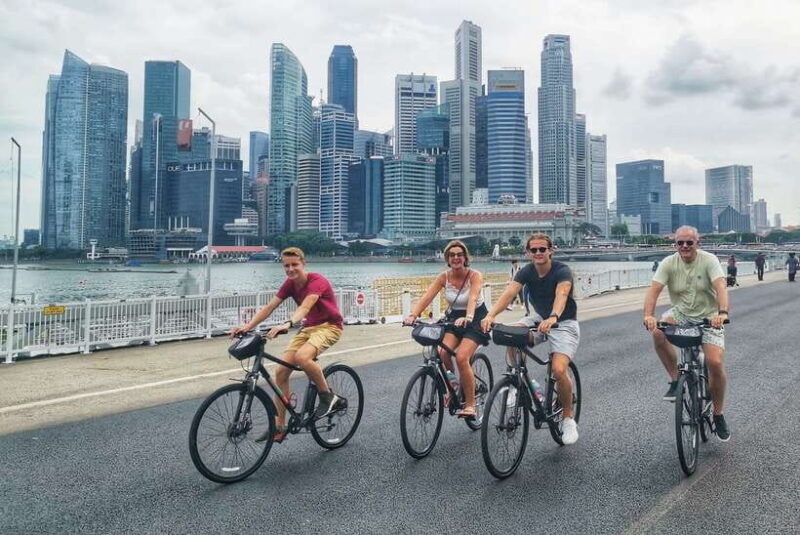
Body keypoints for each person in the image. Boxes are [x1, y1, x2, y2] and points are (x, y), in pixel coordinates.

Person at [231, 247, 344, 443]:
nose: (290, 269)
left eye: (294, 265)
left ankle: (328, 397)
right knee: (281, 372)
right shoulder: (290, 284)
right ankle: (280, 426)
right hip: (308, 328)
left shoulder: (317, 281)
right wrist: (247, 326)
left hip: (329, 326)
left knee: (302, 357)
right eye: (286, 266)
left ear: (303, 264)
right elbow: (270, 307)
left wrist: (288, 323)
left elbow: (306, 306)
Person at [481, 233, 581, 445]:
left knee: (558, 370)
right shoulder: (526, 271)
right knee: (511, 335)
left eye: (542, 249)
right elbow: (509, 293)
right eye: (533, 250)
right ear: (528, 252)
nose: (538, 253)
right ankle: (518, 383)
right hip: (538, 319)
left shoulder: (561, 270)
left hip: (564, 323)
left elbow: (562, 294)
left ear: (550, 250)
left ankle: (568, 418)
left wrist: (553, 316)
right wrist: (490, 315)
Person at [643, 226, 731, 441]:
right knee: (657, 331)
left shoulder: (709, 260)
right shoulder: (668, 263)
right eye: (680, 243)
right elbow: (654, 290)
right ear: (675, 245)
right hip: (681, 314)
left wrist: (722, 313)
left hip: (709, 316)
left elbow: (721, 287)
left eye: (689, 243)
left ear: (697, 243)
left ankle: (718, 414)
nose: (684, 246)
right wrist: (649, 315)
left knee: (715, 362)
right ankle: (675, 381)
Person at [404, 240, 487, 418]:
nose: (456, 258)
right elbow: (428, 296)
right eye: (452, 255)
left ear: (465, 258)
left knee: (462, 357)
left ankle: (471, 405)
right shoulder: (444, 277)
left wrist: (469, 317)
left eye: (459, 254)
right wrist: (413, 315)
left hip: (475, 319)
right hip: (453, 319)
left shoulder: (475, 275)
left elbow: (473, 298)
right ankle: (453, 386)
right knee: (442, 352)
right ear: (447, 259)